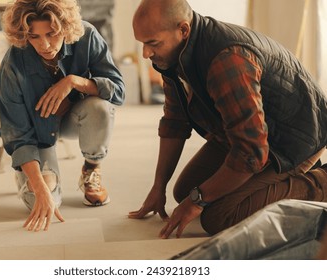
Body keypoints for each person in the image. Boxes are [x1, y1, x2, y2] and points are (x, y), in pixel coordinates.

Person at [129, 0, 327, 238]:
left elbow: (251, 153)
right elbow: (175, 121)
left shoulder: (226, 60)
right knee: (185, 191)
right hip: (250, 132)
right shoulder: (171, 55)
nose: (145, 53)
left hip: (295, 137)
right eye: (142, 43)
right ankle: (276, 180)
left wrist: (198, 201)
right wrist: (158, 187)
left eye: (152, 43)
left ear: (183, 30)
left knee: (220, 216)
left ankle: (319, 182)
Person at [0, 0, 125, 232]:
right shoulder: (13, 64)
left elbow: (118, 91)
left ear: (66, 28)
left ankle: (91, 169)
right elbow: (15, 133)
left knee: (100, 109)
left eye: (52, 34)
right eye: (34, 37)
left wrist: (75, 82)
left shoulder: (88, 37)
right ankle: (26, 173)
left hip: (73, 119)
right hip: (37, 136)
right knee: (44, 202)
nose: (44, 44)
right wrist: (38, 185)